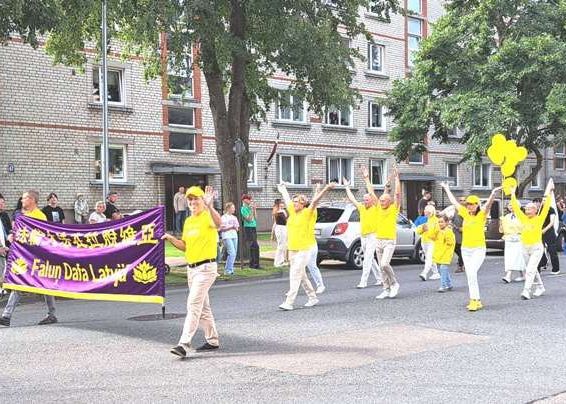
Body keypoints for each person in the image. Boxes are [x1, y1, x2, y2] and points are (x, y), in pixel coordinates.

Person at [162, 186, 222, 358]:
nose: (193, 202)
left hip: (206, 268)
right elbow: (185, 246)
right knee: (203, 307)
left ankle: (184, 343)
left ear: (203, 200)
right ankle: (212, 340)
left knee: (193, 304)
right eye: (190, 200)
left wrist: (210, 207)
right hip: (192, 269)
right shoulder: (188, 221)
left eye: (197, 199)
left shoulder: (207, 216)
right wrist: (171, 238)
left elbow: (219, 224)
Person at [0, 190, 58, 326]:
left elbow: (40, 238)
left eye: (24, 198)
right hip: (26, 257)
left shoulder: (39, 216)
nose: (21, 201)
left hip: (36, 258)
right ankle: (6, 316)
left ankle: (52, 314)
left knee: (44, 285)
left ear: (32, 200)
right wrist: (12, 236)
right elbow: (20, 234)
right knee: (19, 283)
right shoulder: (25, 215)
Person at [440, 182, 501, 311]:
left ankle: (475, 300)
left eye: (472, 204)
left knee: (472, 272)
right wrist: (446, 189)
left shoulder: (481, 215)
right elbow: (454, 202)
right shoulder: (465, 213)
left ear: (477, 205)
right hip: (466, 249)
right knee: (469, 274)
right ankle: (476, 300)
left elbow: (488, 205)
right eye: (468, 204)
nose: (469, 206)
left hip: (478, 249)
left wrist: (493, 194)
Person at [277, 182, 335, 311]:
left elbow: (315, 201)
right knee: (302, 276)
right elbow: (287, 199)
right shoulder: (292, 212)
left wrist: (325, 189)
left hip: (304, 250)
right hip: (293, 249)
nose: (294, 203)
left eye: (297, 201)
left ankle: (289, 302)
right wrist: (283, 189)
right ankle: (313, 297)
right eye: (294, 201)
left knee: (295, 274)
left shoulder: (308, 212)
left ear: (303, 204)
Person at [362, 165, 402, 300]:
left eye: (384, 200)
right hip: (378, 240)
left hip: (389, 240)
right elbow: (371, 191)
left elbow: (397, 194)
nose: (381, 201)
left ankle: (394, 284)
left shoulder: (393, 209)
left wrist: (397, 178)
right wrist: (366, 177)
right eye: (380, 200)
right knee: (380, 267)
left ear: (389, 201)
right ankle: (386, 289)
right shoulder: (378, 207)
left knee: (385, 264)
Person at [510, 180, 554, 299]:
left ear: (535, 210)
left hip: (536, 248)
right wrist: (513, 193)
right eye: (526, 208)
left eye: (530, 208)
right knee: (531, 269)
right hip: (524, 247)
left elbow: (546, 205)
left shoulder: (540, 218)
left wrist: (549, 191)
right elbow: (515, 206)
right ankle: (540, 287)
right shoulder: (523, 218)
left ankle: (526, 291)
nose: (527, 210)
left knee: (529, 270)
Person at [343, 177, 382, 289]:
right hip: (363, 236)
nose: (365, 201)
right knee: (369, 258)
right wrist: (346, 186)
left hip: (373, 235)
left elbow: (371, 192)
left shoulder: (375, 207)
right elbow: (352, 199)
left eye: (367, 200)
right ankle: (379, 278)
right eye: (364, 200)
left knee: (368, 258)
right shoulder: (361, 208)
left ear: (371, 201)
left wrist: (366, 179)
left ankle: (363, 281)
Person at [305, 185, 327, 294]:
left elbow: (314, 202)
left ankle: (320, 285)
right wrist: (317, 190)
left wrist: (319, 190)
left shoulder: (311, 212)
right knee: (298, 267)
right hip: (302, 245)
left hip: (310, 244)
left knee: (311, 266)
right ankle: (295, 287)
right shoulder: (300, 214)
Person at [499, 202, 526, 283]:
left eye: (513, 204)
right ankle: (519, 275)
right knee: (510, 257)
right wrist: (501, 223)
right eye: (509, 205)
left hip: (519, 239)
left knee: (519, 257)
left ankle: (509, 275)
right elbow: (501, 230)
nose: (511, 206)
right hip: (509, 240)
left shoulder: (522, 216)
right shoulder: (506, 217)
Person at [534, 197, 560, 274]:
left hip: (549, 232)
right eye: (543, 200)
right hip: (538, 232)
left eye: (546, 200)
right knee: (538, 250)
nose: (544, 202)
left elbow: (551, 222)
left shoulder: (550, 209)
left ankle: (556, 268)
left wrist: (545, 230)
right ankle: (539, 267)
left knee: (552, 250)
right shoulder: (536, 210)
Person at [430, 214, 456, 292]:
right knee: (443, 270)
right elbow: (431, 237)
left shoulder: (448, 231)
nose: (440, 224)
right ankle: (449, 284)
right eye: (439, 222)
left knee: (443, 268)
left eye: (442, 222)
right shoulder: (438, 230)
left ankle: (443, 285)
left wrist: (444, 236)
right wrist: (435, 229)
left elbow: (450, 242)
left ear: (447, 222)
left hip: (447, 253)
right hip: (439, 252)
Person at [416, 204, 441, 281]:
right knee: (429, 258)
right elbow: (418, 231)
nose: (425, 212)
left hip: (432, 242)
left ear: (431, 212)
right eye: (425, 210)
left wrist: (427, 231)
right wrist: (422, 229)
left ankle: (424, 273)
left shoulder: (436, 221)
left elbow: (436, 233)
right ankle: (436, 273)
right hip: (424, 241)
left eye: (427, 211)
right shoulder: (424, 219)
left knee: (428, 258)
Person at [240, 194, 260, 269]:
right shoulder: (243, 209)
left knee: (255, 246)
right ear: (244, 200)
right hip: (248, 228)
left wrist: (254, 209)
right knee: (253, 245)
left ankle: (255, 264)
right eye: (248, 199)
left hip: (253, 227)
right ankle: (254, 264)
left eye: (250, 199)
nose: (250, 201)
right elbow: (249, 219)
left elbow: (255, 218)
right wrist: (251, 210)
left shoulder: (250, 208)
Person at [219, 202, 239, 276]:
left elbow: (237, 228)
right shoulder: (223, 217)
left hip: (234, 236)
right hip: (227, 236)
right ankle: (228, 270)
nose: (234, 209)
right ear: (228, 208)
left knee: (234, 253)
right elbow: (222, 228)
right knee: (232, 253)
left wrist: (234, 227)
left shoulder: (234, 217)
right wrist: (231, 227)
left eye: (234, 208)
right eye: (232, 208)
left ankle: (230, 268)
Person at [271, 199, 288, 267]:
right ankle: (277, 262)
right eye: (281, 203)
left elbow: (286, 220)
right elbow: (275, 223)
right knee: (280, 245)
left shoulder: (283, 211)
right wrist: (272, 233)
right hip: (279, 228)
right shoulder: (276, 211)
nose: (282, 204)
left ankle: (281, 260)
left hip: (284, 228)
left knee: (284, 244)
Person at [0, 194, 10, 297]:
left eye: (3, 203)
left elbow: (6, 231)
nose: (2, 205)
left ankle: (3, 289)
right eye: (0, 203)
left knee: (4, 267)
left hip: (4, 245)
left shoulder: (4, 215)